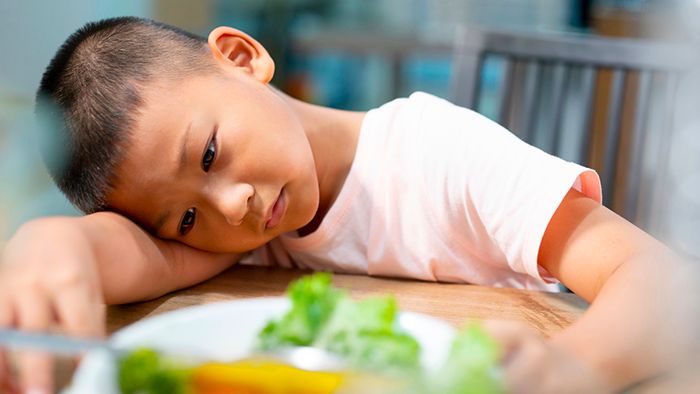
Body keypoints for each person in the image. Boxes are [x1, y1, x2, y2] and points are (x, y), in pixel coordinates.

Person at [0, 16, 696, 394]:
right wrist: (49, 243)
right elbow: (126, 255)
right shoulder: (231, 237)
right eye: (185, 218)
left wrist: (574, 369)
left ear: (242, 58)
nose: (231, 207)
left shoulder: (441, 152)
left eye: (209, 153)